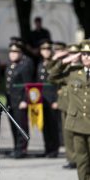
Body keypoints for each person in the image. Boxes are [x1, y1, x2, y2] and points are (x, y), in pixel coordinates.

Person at [48, 39, 90, 179]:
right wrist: (65, 60)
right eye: (83, 54)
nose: (86, 57)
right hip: (78, 124)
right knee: (82, 160)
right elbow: (52, 76)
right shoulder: (73, 72)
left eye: (88, 54)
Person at [5, 43, 33, 158]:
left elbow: (28, 85)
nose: (12, 54)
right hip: (11, 100)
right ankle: (16, 146)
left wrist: (25, 100)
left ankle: (22, 149)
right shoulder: (10, 65)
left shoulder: (24, 66)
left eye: (15, 52)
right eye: (11, 52)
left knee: (21, 125)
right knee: (13, 125)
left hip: (20, 101)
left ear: (21, 54)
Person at [36, 39, 60, 158]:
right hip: (42, 100)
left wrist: (56, 100)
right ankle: (47, 148)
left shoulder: (55, 64)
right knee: (44, 125)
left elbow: (59, 83)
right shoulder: (40, 64)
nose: (45, 52)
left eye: (47, 49)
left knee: (53, 125)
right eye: (43, 49)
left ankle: (54, 149)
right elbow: (38, 83)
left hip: (52, 99)